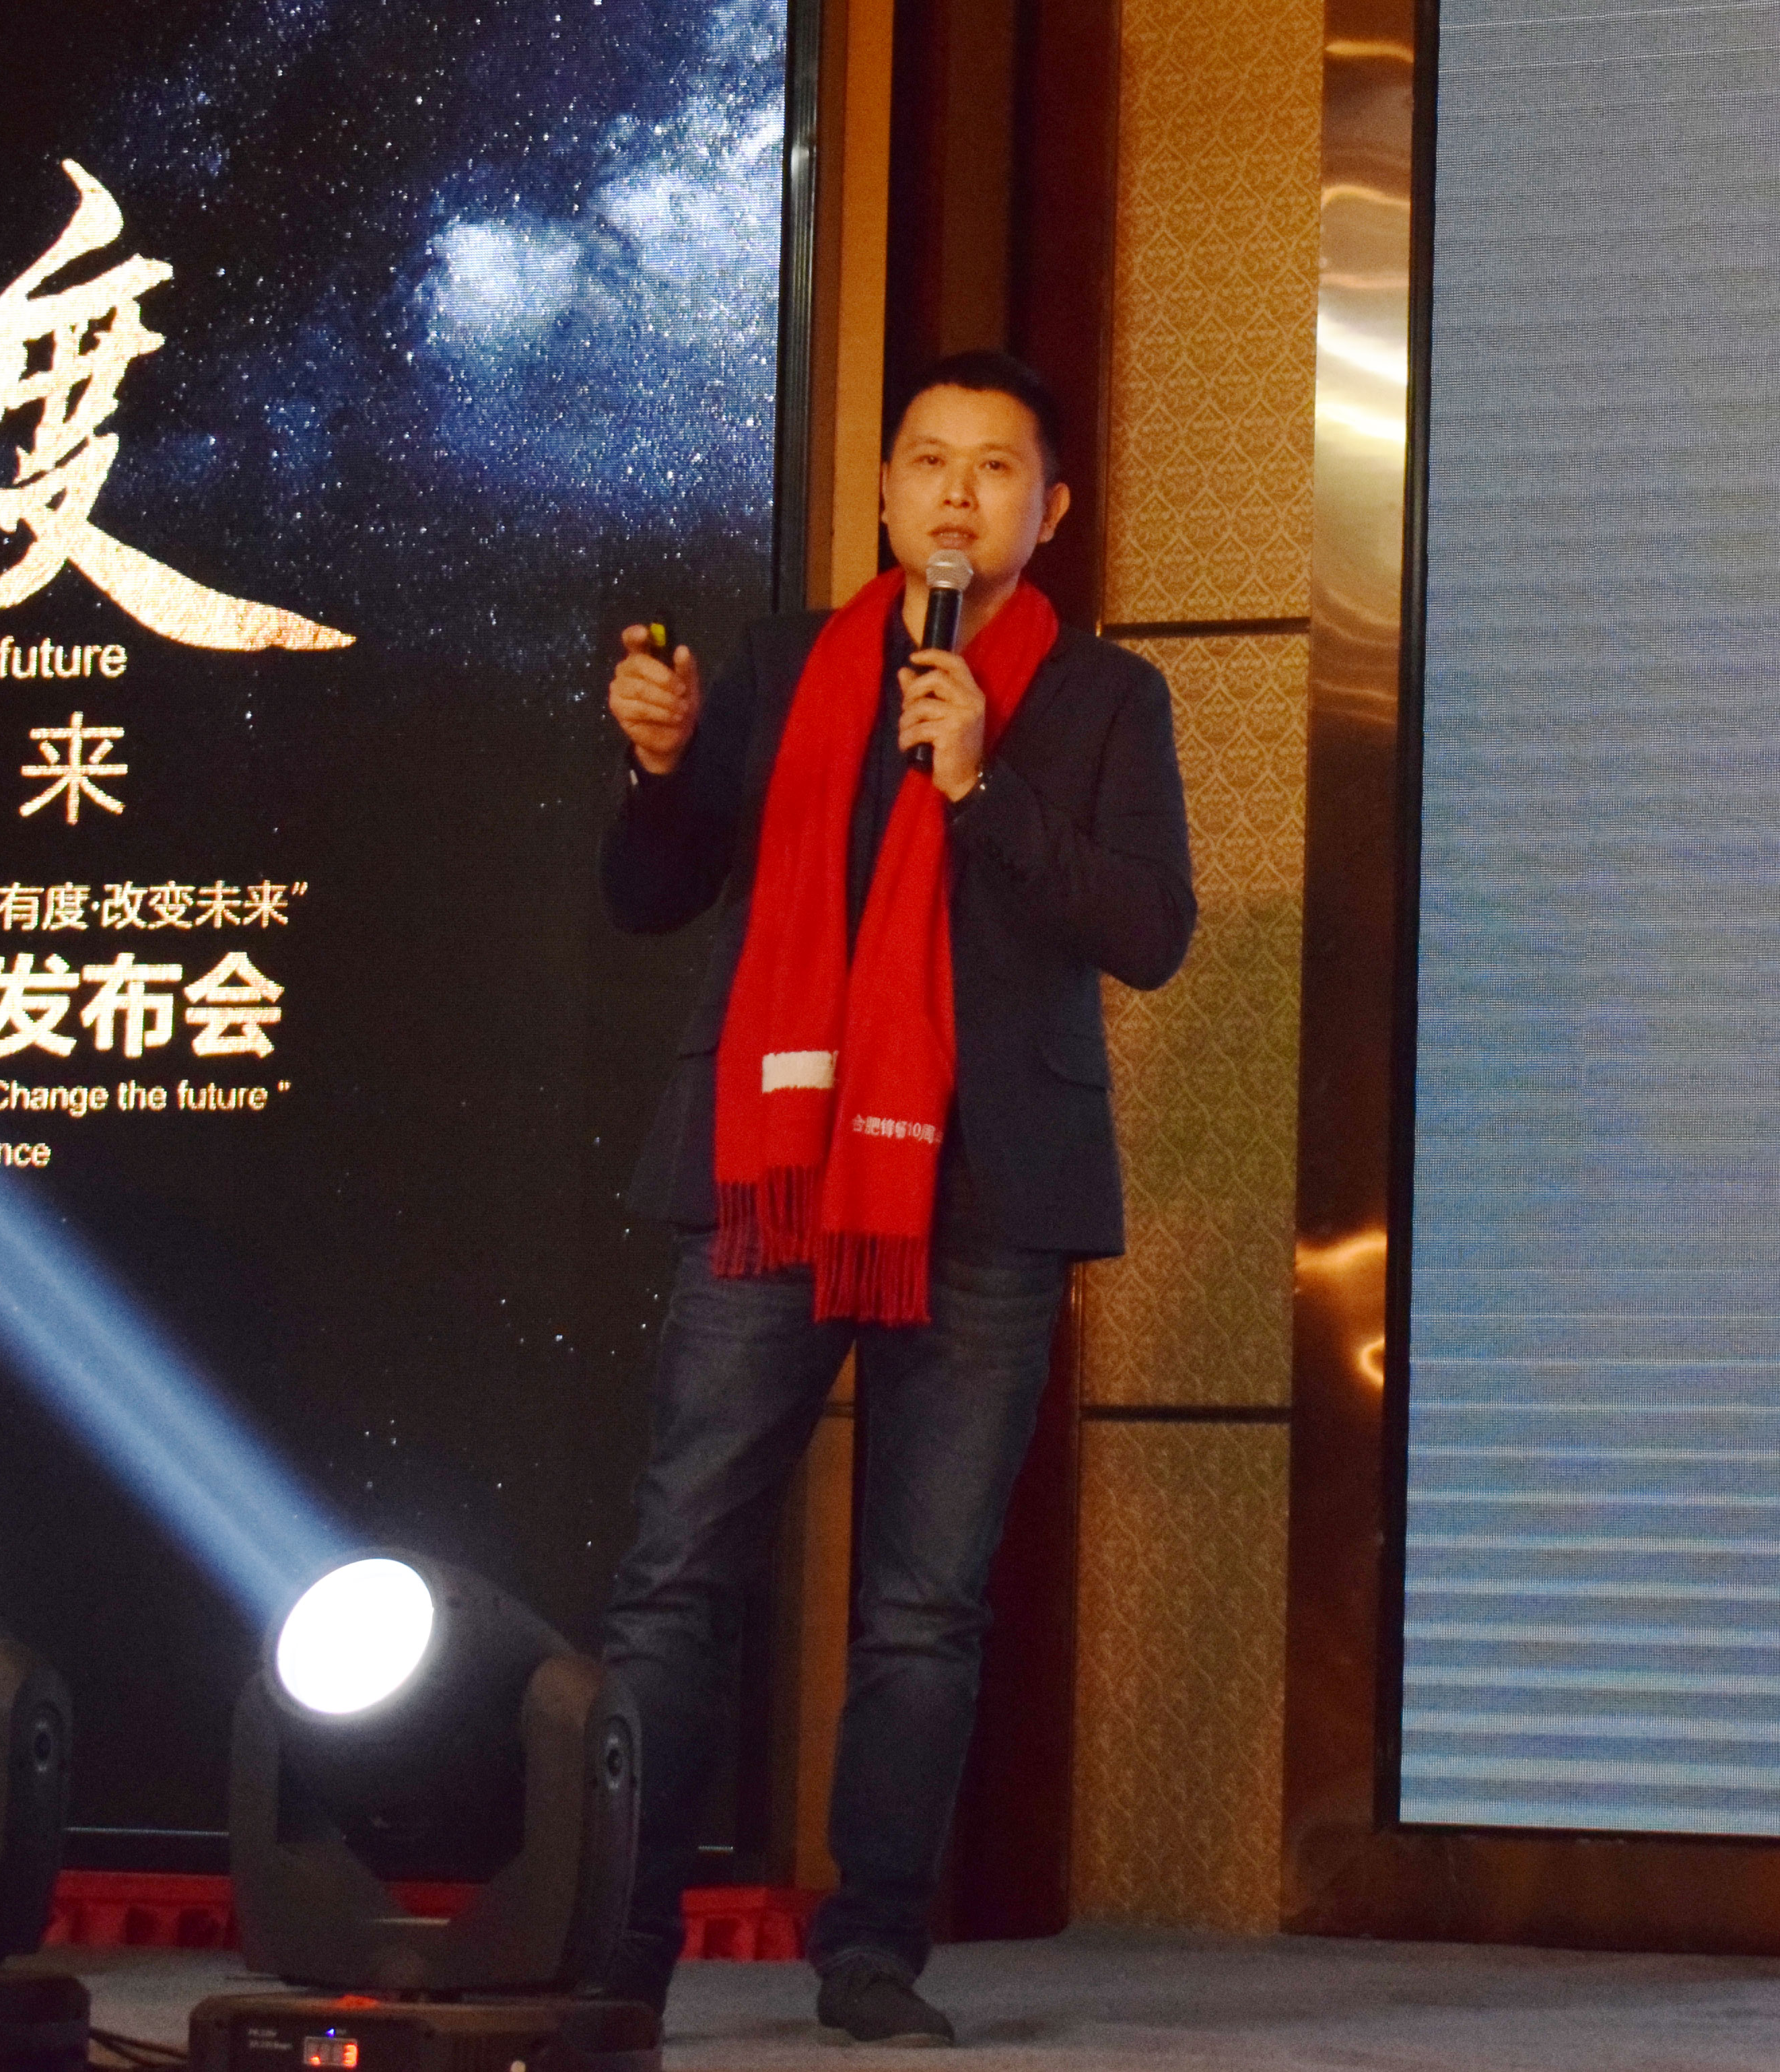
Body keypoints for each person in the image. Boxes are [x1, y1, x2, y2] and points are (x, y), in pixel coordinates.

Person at [594, 349, 1194, 2048]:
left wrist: (983, 786)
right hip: (776, 1182)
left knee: (924, 1605)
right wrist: (660, 769)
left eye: (995, 469)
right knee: (677, 1569)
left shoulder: (1105, 695)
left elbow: (1150, 931)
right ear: (881, 493)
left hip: (991, 1187)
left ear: (1050, 509)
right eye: (928, 461)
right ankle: (615, 1950)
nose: (956, 494)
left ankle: (871, 1952)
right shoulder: (785, 666)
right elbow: (651, 898)